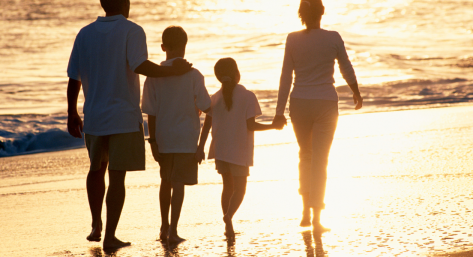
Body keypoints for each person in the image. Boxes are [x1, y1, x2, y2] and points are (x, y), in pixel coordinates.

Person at [66, 0, 192, 249]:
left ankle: (95, 224)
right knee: (116, 177)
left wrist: (72, 112)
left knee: (96, 169)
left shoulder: (85, 33)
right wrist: (173, 71)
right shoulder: (132, 30)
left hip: (94, 116)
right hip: (122, 117)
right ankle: (110, 236)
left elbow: (74, 77)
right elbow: (141, 66)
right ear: (125, 4)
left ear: (103, 4)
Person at [273, 0, 363, 233]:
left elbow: (285, 76)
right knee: (320, 159)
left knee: (306, 154)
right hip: (325, 103)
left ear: (300, 14)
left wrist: (278, 111)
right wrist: (356, 92)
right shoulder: (333, 37)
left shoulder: (292, 39)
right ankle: (316, 218)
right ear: (322, 12)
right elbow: (346, 67)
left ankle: (304, 210)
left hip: (299, 103)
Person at [197, 58, 285, 239]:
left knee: (227, 187)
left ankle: (228, 225)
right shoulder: (247, 96)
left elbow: (206, 127)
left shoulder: (214, 98)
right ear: (237, 74)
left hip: (220, 149)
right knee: (240, 189)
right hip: (239, 150)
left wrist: (200, 148)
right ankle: (228, 217)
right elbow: (251, 126)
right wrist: (273, 126)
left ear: (218, 77)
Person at [141, 26, 211, 245]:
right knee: (178, 184)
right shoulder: (194, 75)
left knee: (165, 182)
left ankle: (163, 227)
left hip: (163, 137)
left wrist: (152, 141)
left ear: (163, 47)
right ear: (185, 46)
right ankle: (173, 229)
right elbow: (207, 107)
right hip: (186, 139)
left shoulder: (153, 77)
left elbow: (150, 112)